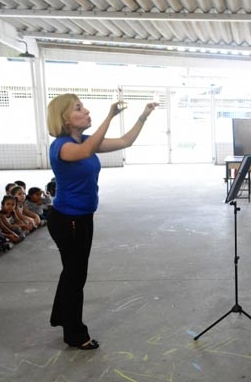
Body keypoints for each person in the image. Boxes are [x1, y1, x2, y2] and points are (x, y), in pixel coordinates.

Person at [46, 93, 158, 350]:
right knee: (76, 276)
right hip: (68, 220)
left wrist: (143, 115)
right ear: (65, 119)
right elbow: (85, 151)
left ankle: (62, 316)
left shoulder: (85, 140)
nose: (85, 111)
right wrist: (110, 115)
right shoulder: (62, 146)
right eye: (78, 108)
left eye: (83, 107)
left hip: (82, 217)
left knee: (72, 272)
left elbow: (126, 141)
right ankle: (75, 334)